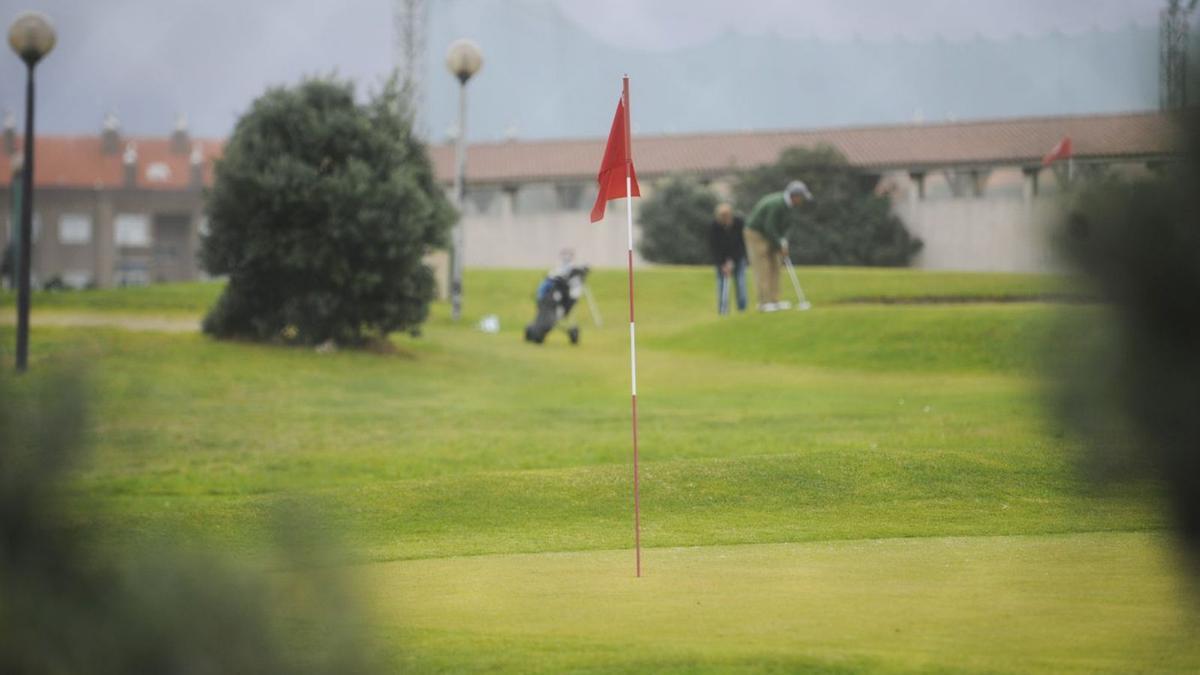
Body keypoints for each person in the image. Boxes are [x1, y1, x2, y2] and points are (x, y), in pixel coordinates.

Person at [744, 180, 813, 312]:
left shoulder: (791, 207)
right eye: (802, 198)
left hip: (771, 234)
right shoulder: (777, 204)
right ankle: (764, 303)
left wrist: (784, 242)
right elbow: (769, 226)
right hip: (756, 233)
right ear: (795, 196)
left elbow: (787, 227)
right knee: (762, 266)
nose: (803, 201)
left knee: (776, 264)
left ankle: (775, 300)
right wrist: (778, 243)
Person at [709, 203, 747, 314]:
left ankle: (742, 310)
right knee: (721, 284)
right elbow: (714, 247)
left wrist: (732, 261)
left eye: (727, 215)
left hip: (738, 258)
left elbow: (741, 244)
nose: (725, 219)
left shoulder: (738, 223)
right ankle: (723, 310)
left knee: (740, 283)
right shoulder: (714, 226)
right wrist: (722, 263)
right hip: (721, 260)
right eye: (722, 216)